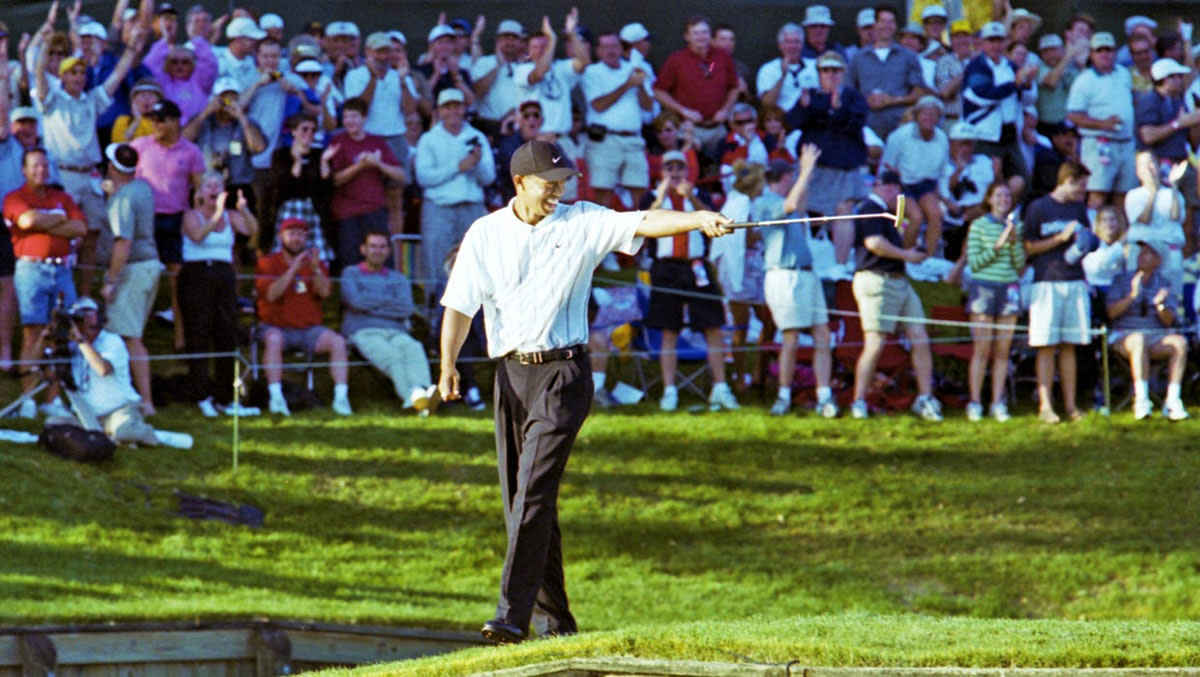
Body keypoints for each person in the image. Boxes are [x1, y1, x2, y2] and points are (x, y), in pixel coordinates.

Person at [438, 139, 734, 645]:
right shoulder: (484, 233)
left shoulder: (582, 220)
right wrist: (447, 365)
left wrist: (697, 217)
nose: (559, 191)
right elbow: (460, 307)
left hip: (563, 375)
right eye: (549, 183)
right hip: (510, 376)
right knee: (525, 501)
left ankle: (512, 615)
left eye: (563, 182)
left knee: (531, 490)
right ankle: (558, 625)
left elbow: (643, 221)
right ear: (520, 183)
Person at [638, 150, 738, 412]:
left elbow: (711, 219)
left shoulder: (698, 195)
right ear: (662, 172)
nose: (674, 173)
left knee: (712, 326)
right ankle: (670, 390)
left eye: (679, 167)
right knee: (669, 330)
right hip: (666, 268)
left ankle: (720, 387)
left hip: (695, 266)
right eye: (669, 167)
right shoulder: (652, 197)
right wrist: (661, 196)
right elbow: (645, 221)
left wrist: (691, 196)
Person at [849, 169, 942, 421]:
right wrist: (908, 256)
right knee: (875, 343)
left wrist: (911, 230)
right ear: (888, 188)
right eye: (897, 191)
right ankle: (858, 400)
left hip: (899, 281)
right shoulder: (871, 208)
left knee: (919, 337)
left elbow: (903, 234)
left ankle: (925, 397)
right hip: (877, 280)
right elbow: (874, 244)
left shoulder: (889, 215)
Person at [2, 148, 87, 418]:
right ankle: (28, 396)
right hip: (31, 268)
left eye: (45, 166)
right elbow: (26, 220)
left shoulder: (62, 196)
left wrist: (45, 222)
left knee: (61, 334)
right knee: (33, 332)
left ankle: (52, 398)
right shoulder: (15, 198)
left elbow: (80, 228)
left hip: (62, 270)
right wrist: (60, 219)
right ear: (25, 170)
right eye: (35, 166)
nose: (41, 170)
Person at [758, 146, 838, 417]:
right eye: (791, 176)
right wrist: (805, 171)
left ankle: (824, 395)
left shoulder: (790, 199)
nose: (795, 181)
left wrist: (808, 171)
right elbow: (791, 205)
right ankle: (783, 395)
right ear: (782, 178)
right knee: (791, 336)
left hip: (806, 273)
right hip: (783, 275)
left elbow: (799, 203)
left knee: (822, 333)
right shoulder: (766, 202)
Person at [254, 218, 352, 417]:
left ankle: (341, 398)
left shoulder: (317, 264)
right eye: (291, 234)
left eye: (300, 234)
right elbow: (272, 294)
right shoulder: (267, 263)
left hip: (309, 330)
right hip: (275, 327)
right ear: (281, 237)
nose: (296, 239)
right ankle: (276, 397)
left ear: (306, 238)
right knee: (273, 340)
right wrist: (292, 270)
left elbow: (325, 294)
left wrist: (315, 269)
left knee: (338, 342)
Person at [131, 99, 205, 351]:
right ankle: (134, 336)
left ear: (176, 121)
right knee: (141, 278)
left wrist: (196, 218)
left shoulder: (190, 151)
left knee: (179, 281)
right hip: (146, 218)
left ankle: (181, 338)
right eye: (153, 119)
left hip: (175, 219)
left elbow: (200, 188)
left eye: (161, 119)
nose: (156, 124)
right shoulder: (139, 146)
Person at [180, 172, 257, 416]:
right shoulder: (190, 216)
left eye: (218, 185)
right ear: (200, 193)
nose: (214, 189)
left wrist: (243, 210)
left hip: (224, 275)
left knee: (226, 334)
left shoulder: (230, 216)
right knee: (199, 333)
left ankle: (227, 398)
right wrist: (215, 215)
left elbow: (252, 231)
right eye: (208, 186)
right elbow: (198, 236)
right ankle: (202, 395)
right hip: (196, 274)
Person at [1023, 160, 1094, 424]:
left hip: (1075, 280)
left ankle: (1071, 405)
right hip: (1047, 281)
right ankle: (1045, 405)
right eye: (1081, 186)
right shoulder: (1039, 208)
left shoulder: (1078, 208)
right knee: (1046, 345)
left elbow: (1086, 238)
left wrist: (1087, 243)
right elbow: (1028, 248)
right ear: (1069, 181)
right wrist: (1060, 239)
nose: (1083, 192)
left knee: (1069, 346)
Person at [341, 230, 437, 415]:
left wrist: (369, 303)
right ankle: (413, 397)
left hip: (397, 331)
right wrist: (388, 301)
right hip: (364, 331)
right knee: (393, 357)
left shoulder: (398, 278)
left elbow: (406, 308)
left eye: (382, 247)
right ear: (363, 249)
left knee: (414, 348)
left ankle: (420, 392)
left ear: (388, 251)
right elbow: (354, 301)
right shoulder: (350, 273)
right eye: (373, 246)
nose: (377, 251)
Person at [99, 143, 162, 416]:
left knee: (129, 336)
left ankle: (144, 401)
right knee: (130, 335)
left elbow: (123, 242)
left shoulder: (123, 198)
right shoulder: (142, 188)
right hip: (148, 266)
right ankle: (136, 397)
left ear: (112, 167)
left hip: (134, 269)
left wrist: (111, 280)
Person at [415, 89, 493, 303]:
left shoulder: (476, 137)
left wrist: (475, 165)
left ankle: (476, 319)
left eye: (457, 106)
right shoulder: (429, 139)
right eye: (447, 107)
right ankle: (436, 320)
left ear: (464, 108)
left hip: (471, 206)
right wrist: (458, 167)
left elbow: (488, 177)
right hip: (439, 208)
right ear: (439, 111)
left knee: (477, 263)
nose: (453, 111)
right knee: (437, 264)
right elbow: (424, 177)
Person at [1106, 239, 1190, 421]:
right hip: (1125, 335)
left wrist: (1160, 305)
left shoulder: (1164, 284)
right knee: (1138, 340)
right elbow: (1111, 313)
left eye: (1149, 253)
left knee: (1180, 343)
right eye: (1141, 252)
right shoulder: (1122, 280)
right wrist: (1132, 296)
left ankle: (1173, 400)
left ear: (1159, 260)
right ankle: (1142, 400)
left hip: (1156, 336)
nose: (1142, 256)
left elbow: (1169, 321)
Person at [964, 181, 1025, 422]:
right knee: (981, 349)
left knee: (1002, 351)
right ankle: (975, 401)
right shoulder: (978, 226)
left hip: (1008, 287)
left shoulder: (1015, 226)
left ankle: (997, 402)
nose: (1004, 199)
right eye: (999, 195)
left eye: (1007, 196)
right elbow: (975, 263)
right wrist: (998, 246)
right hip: (984, 288)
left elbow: (1019, 264)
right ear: (989, 199)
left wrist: (1012, 242)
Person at [785, 51, 869, 216]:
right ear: (819, 73)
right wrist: (803, 107)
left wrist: (839, 109)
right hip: (814, 167)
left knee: (843, 212)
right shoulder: (810, 96)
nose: (831, 75)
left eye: (835, 70)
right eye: (826, 70)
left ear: (843, 72)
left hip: (844, 168)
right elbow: (793, 123)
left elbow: (856, 125)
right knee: (801, 209)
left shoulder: (853, 97)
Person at [328, 97, 407, 272]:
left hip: (375, 210)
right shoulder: (338, 141)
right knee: (350, 262)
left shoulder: (376, 142)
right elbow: (334, 180)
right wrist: (360, 166)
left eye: (354, 116)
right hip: (347, 212)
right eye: (346, 117)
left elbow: (401, 175)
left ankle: (383, 297)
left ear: (364, 118)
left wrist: (379, 164)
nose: (350, 121)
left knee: (381, 261)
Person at [963, 22, 1038, 198]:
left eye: (999, 40)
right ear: (982, 42)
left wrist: (1027, 84)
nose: (996, 45)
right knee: (987, 183)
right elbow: (982, 94)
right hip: (984, 135)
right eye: (991, 40)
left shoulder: (1011, 66)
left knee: (1022, 182)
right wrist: (1015, 84)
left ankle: (1011, 219)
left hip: (1010, 133)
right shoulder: (976, 66)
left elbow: (1028, 100)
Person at [581, 30, 654, 209]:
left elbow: (648, 106)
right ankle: (602, 236)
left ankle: (639, 236)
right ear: (598, 51)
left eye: (614, 46)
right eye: (605, 47)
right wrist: (628, 85)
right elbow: (598, 105)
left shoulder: (634, 68)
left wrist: (641, 85)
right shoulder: (592, 72)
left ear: (621, 48)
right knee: (603, 193)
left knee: (639, 193)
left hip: (633, 139)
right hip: (605, 140)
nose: (610, 51)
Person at [653, 16, 740, 160]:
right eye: (696, 33)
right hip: (688, 129)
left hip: (717, 128)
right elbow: (658, 91)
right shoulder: (677, 60)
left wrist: (725, 110)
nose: (701, 36)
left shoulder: (722, 57)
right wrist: (683, 110)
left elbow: (734, 87)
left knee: (720, 172)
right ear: (687, 36)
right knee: (690, 171)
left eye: (704, 32)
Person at [1066, 33, 1136, 210]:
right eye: (1100, 50)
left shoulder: (1123, 73)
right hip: (1100, 143)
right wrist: (1102, 124)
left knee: (1126, 195)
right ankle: (1095, 236)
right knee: (1098, 194)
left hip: (1126, 142)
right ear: (1092, 54)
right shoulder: (1084, 80)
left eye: (1109, 50)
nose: (1105, 54)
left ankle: (1121, 236)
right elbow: (1073, 115)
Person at [846, 5, 929, 140]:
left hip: (900, 124)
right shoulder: (858, 58)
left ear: (895, 26)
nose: (887, 26)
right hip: (867, 124)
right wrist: (865, 101)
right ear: (875, 25)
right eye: (883, 21)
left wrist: (893, 100)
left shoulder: (908, 56)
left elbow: (920, 92)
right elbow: (848, 91)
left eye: (891, 22)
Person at [882, 95, 950, 256]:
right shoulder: (899, 136)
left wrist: (946, 197)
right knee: (916, 217)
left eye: (934, 114)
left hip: (926, 185)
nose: (929, 118)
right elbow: (886, 164)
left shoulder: (942, 138)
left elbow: (943, 171)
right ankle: (907, 255)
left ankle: (928, 258)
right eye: (926, 114)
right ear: (917, 115)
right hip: (901, 184)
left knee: (936, 214)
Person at [1124, 151, 1187, 303]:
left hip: (1169, 249)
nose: (1149, 169)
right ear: (1138, 171)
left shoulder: (1172, 194)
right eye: (1144, 166)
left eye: (1151, 163)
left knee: (1171, 295)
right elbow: (1144, 219)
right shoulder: (1134, 195)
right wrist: (1152, 193)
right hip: (1142, 250)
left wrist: (1174, 185)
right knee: (1139, 295)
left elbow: (1176, 216)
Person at [756, 23, 815, 113]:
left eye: (796, 42)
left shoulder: (814, 65)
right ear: (780, 45)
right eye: (788, 42)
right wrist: (783, 76)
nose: (792, 46)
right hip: (783, 120)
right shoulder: (768, 69)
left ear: (802, 45)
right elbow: (767, 104)